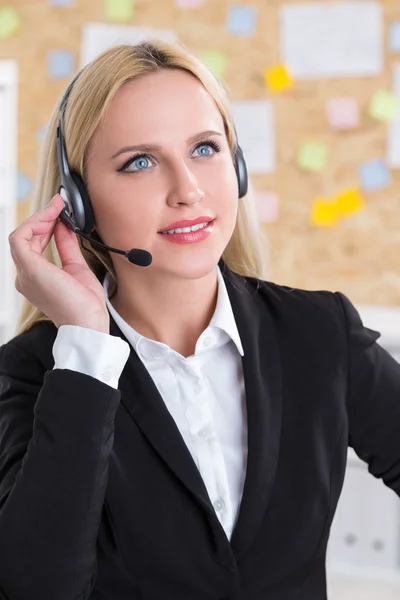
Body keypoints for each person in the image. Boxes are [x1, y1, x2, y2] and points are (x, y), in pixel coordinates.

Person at [0, 39, 399, 600]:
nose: (187, 190)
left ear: (236, 166)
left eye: (205, 149)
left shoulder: (318, 332)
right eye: (140, 162)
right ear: (77, 203)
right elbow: (37, 587)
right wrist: (86, 351)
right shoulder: (37, 373)